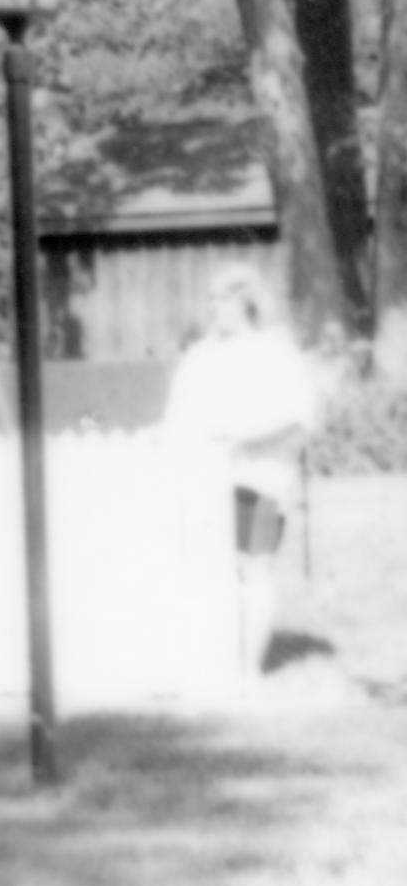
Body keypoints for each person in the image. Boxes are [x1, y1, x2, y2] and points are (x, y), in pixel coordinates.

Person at [162, 264, 318, 674]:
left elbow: (300, 417)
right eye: (210, 299)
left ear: (248, 302)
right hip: (200, 480)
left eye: (224, 298)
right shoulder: (200, 356)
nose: (215, 308)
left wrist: (242, 437)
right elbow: (178, 416)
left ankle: (249, 668)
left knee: (255, 567)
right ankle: (210, 662)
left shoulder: (275, 351)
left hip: (259, 479)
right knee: (206, 569)